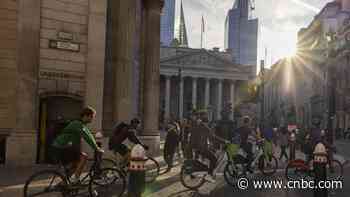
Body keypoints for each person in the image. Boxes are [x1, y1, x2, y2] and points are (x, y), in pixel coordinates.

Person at [51, 106, 104, 182]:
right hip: (59, 148)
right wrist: (96, 148)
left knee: (76, 164)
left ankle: (65, 182)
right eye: (91, 117)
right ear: (86, 116)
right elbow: (86, 137)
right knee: (84, 156)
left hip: (62, 147)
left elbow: (89, 134)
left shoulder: (81, 124)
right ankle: (76, 179)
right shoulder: (78, 124)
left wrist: (96, 146)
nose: (92, 119)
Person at [189, 110, 227, 183]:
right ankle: (209, 175)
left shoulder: (198, 124)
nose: (208, 116)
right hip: (202, 148)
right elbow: (212, 136)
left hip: (199, 147)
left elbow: (208, 137)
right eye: (206, 115)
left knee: (209, 157)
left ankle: (206, 171)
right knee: (214, 159)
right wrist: (224, 141)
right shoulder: (203, 125)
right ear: (204, 116)